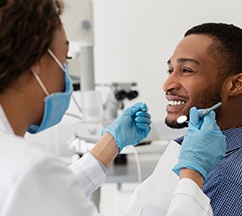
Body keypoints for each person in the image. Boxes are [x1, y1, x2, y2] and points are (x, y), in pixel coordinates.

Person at [0, 1, 227, 215]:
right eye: (65, 58)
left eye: (186, 70)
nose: (167, 85)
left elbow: (44, 198)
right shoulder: (27, 170)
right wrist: (192, 174)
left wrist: (110, 143)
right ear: (38, 64)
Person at [124, 22, 242, 216]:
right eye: (170, 71)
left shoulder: (229, 178)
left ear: (235, 84)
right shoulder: (191, 151)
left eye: (186, 70)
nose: (167, 84)